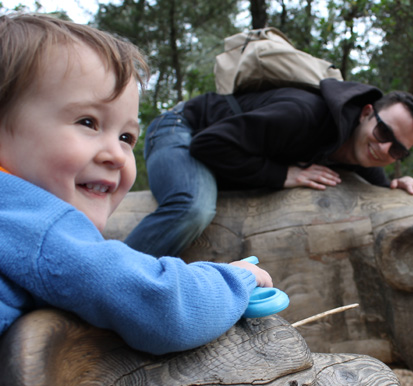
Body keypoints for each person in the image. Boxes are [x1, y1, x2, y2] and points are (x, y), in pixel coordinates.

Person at [0, 13, 272, 355]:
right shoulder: (33, 223)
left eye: (127, 136)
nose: (116, 154)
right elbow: (164, 309)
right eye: (88, 122)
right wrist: (238, 280)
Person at [124, 80, 413, 258]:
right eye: (384, 133)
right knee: (193, 208)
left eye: (398, 149)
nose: (385, 149)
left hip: (215, 150)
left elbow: (377, 189)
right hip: (183, 128)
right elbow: (208, 146)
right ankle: (104, 279)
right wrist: (283, 174)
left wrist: (398, 187)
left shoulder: (358, 151)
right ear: (366, 113)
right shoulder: (303, 115)